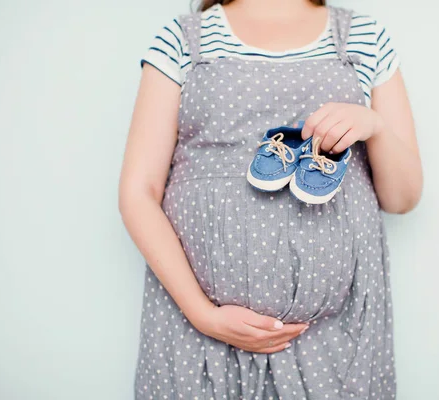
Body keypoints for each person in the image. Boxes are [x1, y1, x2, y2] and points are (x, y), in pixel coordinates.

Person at [118, 0, 422, 398]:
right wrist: (202, 314)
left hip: (336, 342)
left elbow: (402, 199)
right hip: (199, 335)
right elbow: (139, 192)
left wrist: (375, 128)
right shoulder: (183, 39)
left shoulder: (364, 39)